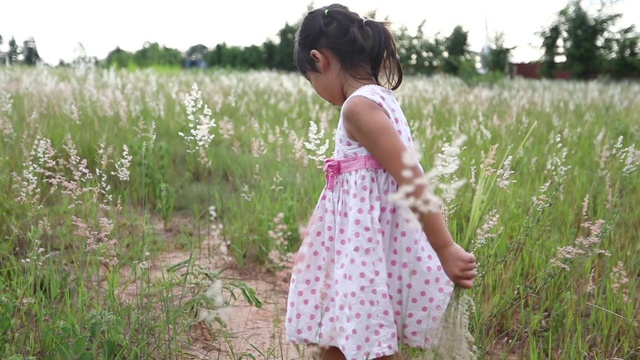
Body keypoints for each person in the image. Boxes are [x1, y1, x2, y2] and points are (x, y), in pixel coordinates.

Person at [285, 4, 477, 360]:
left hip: (364, 249)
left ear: (319, 59)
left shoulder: (358, 108)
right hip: (363, 244)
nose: (316, 90)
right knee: (339, 335)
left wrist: (445, 247)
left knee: (365, 341)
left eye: (311, 80)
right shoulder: (380, 99)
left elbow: (411, 176)